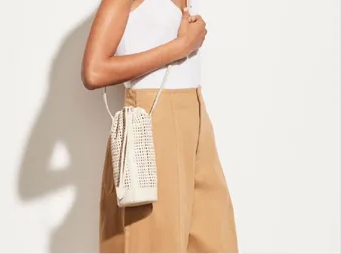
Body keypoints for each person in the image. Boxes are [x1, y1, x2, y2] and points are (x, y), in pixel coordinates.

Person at [81, 0, 238, 252]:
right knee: (154, 241)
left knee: (213, 238)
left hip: (195, 117)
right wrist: (181, 46)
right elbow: (94, 71)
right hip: (154, 120)